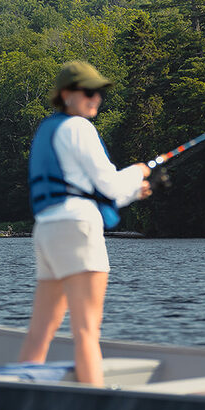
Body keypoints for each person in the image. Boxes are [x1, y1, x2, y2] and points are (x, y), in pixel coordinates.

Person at [19, 60, 152, 385]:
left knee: (40, 331)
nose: (96, 98)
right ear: (66, 94)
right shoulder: (79, 128)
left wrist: (136, 190)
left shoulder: (47, 130)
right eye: (88, 92)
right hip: (77, 228)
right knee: (87, 329)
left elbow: (95, 190)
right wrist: (140, 172)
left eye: (99, 92)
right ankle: (97, 407)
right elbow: (109, 186)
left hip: (48, 231)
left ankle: (19, 397)